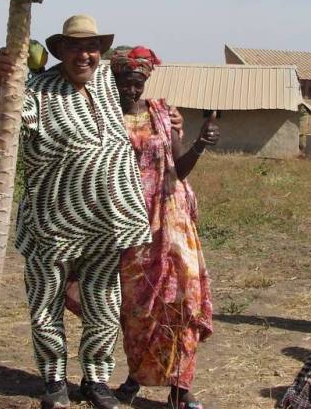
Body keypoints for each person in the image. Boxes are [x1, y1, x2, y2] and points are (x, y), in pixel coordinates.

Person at [0, 14, 152, 409]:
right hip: (53, 222)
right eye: (76, 47)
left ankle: (96, 381)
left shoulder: (106, 81)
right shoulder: (36, 90)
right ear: (60, 50)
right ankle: (53, 382)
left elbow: (140, 87)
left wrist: (169, 116)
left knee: (105, 304)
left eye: (92, 47)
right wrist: (2, 85)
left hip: (107, 222)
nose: (85, 55)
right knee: (46, 305)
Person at [108, 46, 217, 409]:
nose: (131, 89)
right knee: (137, 307)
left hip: (172, 219)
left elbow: (179, 169)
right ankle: (135, 377)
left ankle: (181, 388)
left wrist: (200, 143)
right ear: (113, 79)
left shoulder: (162, 113)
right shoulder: (103, 115)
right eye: (125, 81)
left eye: (137, 82)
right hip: (128, 224)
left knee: (181, 300)